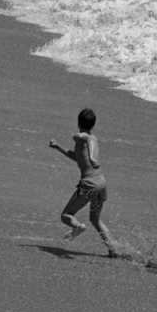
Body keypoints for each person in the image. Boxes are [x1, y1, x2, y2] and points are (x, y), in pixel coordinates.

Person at [49, 108, 116, 257]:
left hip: (89, 185)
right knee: (95, 219)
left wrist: (93, 158)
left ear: (78, 123)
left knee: (66, 215)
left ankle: (78, 227)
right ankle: (113, 249)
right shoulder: (83, 142)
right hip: (101, 184)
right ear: (93, 124)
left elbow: (88, 139)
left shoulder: (86, 138)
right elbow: (76, 157)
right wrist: (58, 147)